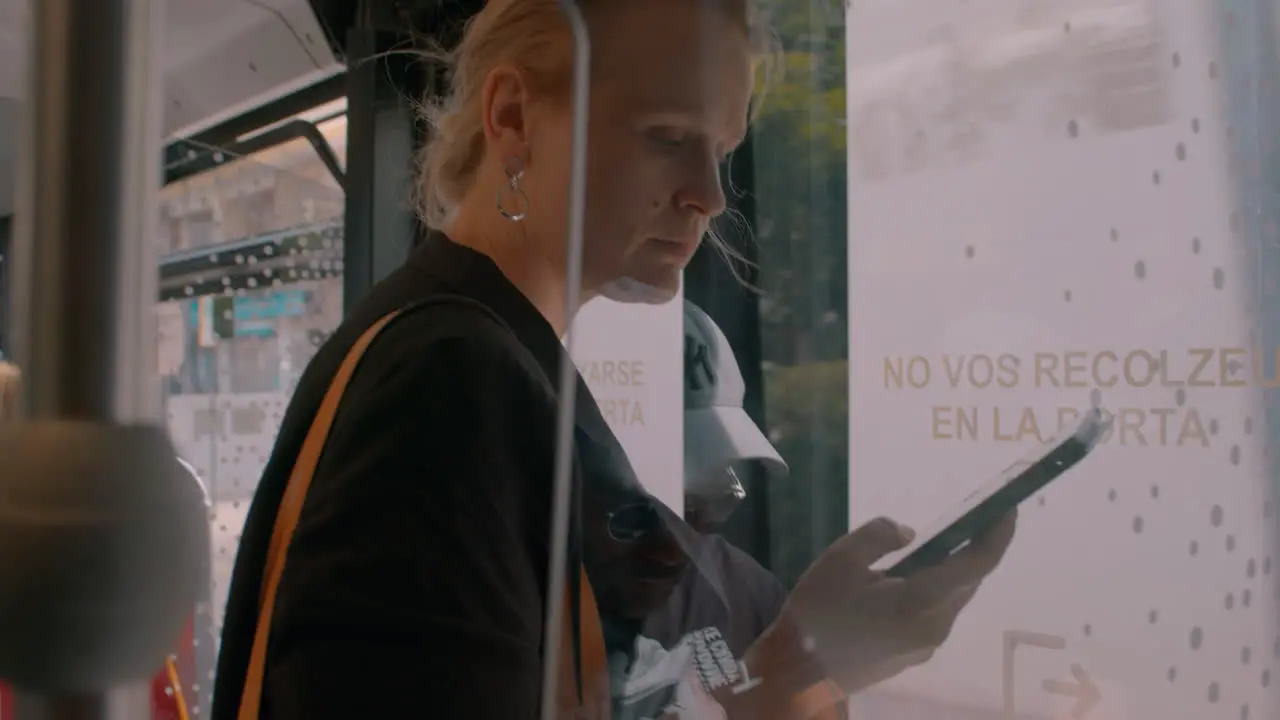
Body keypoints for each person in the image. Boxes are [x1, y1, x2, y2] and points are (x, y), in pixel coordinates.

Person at [211, 1, 1018, 718]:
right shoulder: (449, 383)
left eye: (724, 149)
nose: (711, 192)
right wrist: (795, 671)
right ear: (515, 118)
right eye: (669, 138)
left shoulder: (484, 357)